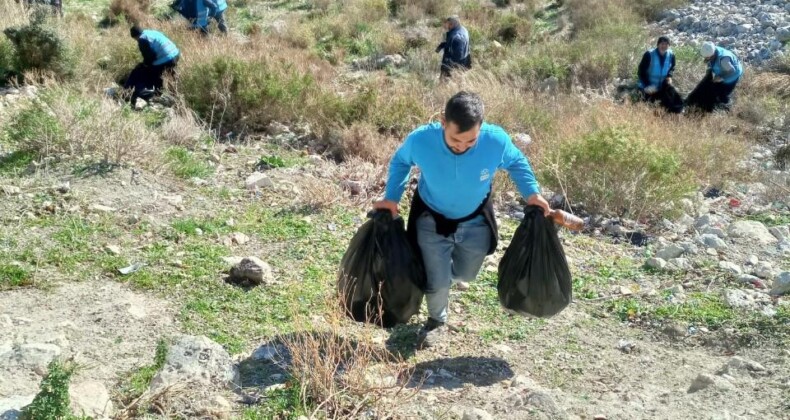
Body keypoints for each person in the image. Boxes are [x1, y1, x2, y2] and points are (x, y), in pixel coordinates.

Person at [373, 91, 550, 349]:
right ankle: (436, 319)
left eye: (471, 141)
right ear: (443, 122)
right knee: (437, 278)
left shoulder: (495, 141)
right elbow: (401, 161)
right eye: (456, 139)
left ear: (481, 128)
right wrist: (391, 198)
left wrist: (532, 193)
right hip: (431, 218)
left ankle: (439, 279)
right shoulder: (421, 140)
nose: (462, 146)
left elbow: (517, 162)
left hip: (475, 220)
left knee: (467, 272)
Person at [124, 26, 180, 105]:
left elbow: (150, 57)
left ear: (135, 37)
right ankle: (175, 95)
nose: (136, 41)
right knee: (172, 75)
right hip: (175, 53)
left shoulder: (142, 39)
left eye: (135, 39)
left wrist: (144, 65)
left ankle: (157, 95)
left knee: (154, 74)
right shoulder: (151, 32)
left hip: (166, 58)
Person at [685, 41, 743, 112]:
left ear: (712, 55)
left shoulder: (724, 60)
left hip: (731, 76)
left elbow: (732, 71)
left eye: (707, 58)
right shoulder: (712, 49)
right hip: (723, 70)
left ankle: (727, 109)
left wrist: (722, 77)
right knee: (708, 86)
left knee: (723, 94)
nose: (706, 59)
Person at [637, 36, 683, 113]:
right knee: (646, 108)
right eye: (662, 44)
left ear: (669, 45)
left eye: (666, 44)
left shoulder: (671, 55)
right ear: (658, 44)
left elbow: (672, 67)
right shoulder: (649, 55)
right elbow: (641, 71)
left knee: (672, 100)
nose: (664, 46)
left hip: (661, 87)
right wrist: (647, 85)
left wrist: (669, 76)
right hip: (647, 87)